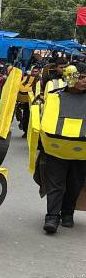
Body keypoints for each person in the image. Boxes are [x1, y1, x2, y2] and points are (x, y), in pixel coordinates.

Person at [37, 64, 86, 233]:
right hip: (56, 148)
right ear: (70, 77)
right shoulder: (54, 97)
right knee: (55, 184)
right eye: (81, 77)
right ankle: (52, 217)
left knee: (74, 184)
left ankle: (67, 213)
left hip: (81, 151)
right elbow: (43, 121)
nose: (84, 80)